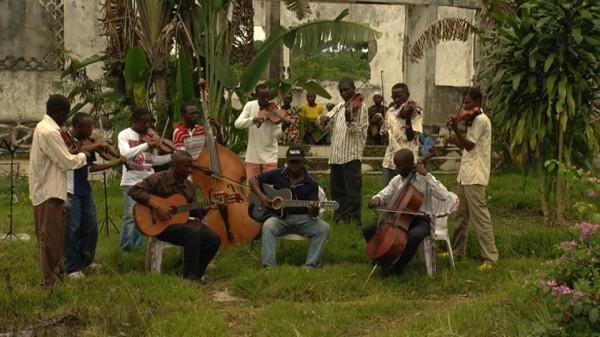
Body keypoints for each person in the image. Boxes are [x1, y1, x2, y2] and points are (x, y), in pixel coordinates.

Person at [28, 95, 94, 286]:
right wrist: (84, 155)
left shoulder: (46, 128)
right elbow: (66, 161)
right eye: (66, 113)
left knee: (56, 236)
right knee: (50, 238)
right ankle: (50, 281)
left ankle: (56, 272)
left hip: (51, 189)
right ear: (61, 112)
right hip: (49, 191)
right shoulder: (49, 132)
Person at [128, 151, 221, 281]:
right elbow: (133, 190)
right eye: (186, 166)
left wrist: (208, 207)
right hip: (160, 226)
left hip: (181, 224)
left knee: (214, 239)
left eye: (191, 167)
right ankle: (189, 279)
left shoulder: (188, 186)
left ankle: (196, 274)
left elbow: (193, 212)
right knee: (192, 233)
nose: (189, 170)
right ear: (175, 165)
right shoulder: (159, 178)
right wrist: (157, 206)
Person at [362, 149, 451, 276]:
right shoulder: (397, 180)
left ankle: (398, 267)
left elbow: (444, 195)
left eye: (399, 166)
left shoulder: (424, 179)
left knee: (414, 236)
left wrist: (427, 175)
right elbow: (385, 193)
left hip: (420, 220)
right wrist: (377, 199)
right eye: (395, 165)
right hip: (398, 218)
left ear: (410, 164)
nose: (396, 169)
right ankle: (382, 259)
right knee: (368, 229)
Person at [64, 112, 127, 278]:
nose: (91, 130)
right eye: (88, 126)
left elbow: (91, 167)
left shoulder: (88, 141)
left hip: (84, 189)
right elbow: (71, 154)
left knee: (91, 227)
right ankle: (72, 267)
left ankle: (87, 261)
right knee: (72, 229)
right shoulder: (68, 139)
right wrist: (96, 145)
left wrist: (115, 160)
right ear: (78, 126)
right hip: (69, 190)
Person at [249, 146, 330, 268]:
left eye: (298, 162)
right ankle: (269, 267)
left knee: (324, 228)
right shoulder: (278, 174)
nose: (294, 165)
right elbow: (252, 180)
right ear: (287, 162)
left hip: (303, 219)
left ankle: (310, 266)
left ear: (303, 161)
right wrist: (262, 197)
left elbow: (314, 215)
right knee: (268, 225)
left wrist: (314, 208)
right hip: (280, 219)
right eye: (292, 162)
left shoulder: (311, 183)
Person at [446, 87, 498, 270]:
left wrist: (456, 131)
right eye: (464, 103)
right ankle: (456, 251)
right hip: (465, 174)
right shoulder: (471, 120)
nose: (464, 107)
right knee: (460, 217)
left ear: (478, 102)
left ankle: (490, 258)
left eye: (467, 103)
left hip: (475, 175)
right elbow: (467, 147)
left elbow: (469, 146)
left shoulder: (481, 120)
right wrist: (454, 139)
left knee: (480, 218)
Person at [118, 107, 172, 252]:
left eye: (149, 122)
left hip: (147, 182)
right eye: (145, 122)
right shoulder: (124, 135)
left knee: (144, 216)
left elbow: (151, 161)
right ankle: (126, 249)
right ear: (135, 121)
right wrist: (147, 145)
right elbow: (125, 154)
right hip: (130, 181)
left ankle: (138, 247)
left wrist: (172, 157)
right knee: (130, 216)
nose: (148, 126)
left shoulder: (149, 137)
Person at [317, 78, 368, 225]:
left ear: (354, 88)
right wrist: (323, 119)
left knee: (352, 192)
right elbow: (326, 127)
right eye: (342, 91)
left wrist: (349, 120)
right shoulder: (339, 106)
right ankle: (339, 218)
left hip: (351, 156)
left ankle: (354, 222)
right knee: (337, 191)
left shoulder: (361, 107)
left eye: (347, 89)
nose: (345, 93)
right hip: (336, 157)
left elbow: (357, 131)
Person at [235, 83, 286, 181]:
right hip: (252, 156)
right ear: (256, 96)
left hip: (270, 156)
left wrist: (283, 128)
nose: (266, 100)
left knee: (269, 188)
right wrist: (253, 120)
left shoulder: (275, 109)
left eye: (268, 97)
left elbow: (276, 135)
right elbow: (237, 124)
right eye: (263, 97)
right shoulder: (250, 106)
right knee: (251, 188)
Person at [381, 83, 423, 187]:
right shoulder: (390, 112)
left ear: (407, 95)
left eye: (400, 96)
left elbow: (410, 137)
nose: (396, 100)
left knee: (406, 194)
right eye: (394, 97)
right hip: (390, 160)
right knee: (387, 193)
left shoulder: (416, 112)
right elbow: (386, 136)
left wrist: (408, 118)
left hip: (407, 161)